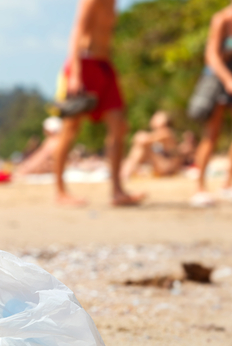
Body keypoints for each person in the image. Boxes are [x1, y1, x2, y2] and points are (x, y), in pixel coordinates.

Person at [53, 0, 144, 207]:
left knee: (118, 127)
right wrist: (75, 74)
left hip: (105, 66)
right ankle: (59, 191)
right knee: (70, 130)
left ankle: (117, 191)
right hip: (84, 65)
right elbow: (77, 29)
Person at [191, 0, 232, 207]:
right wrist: (228, 80)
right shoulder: (221, 19)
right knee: (212, 134)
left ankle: (228, 183)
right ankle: (200, 188)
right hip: (217, 78)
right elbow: (211, 55)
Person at [120, 111, 195, 180]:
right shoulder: (157, 135)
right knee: (140, 148)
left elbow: (142, 140)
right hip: (161, 165)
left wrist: (139, 136)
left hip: (168, 167)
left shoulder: (167, 133)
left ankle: (125, 173)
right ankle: (124, 173)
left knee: (142, 147)